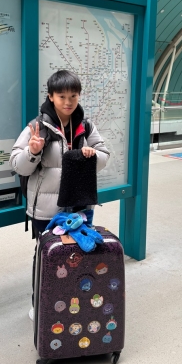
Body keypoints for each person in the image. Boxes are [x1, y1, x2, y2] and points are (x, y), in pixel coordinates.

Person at [9, 70, 110, 320]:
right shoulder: (37, 127)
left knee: (78, 257)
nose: (68, 102)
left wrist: (91, 156)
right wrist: (32, 152)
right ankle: (41, 305)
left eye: (73, 96)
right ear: (51, 96)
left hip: (79, 208)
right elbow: (18, 165)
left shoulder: (86, 126)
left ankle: (71, 305)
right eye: (62, 96)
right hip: (47, 210)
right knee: (48, 257)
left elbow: (104, 155)